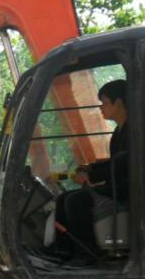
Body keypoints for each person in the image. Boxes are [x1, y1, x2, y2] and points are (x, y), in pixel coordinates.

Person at [52, 80, 130, 263]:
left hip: (129, 188)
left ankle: (87, 254)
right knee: (62, 199)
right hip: (117, 184)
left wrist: (92, 175)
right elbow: (114, 162)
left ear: (118, 102)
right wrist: (90, 168)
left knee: (76, 200)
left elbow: (125, 163)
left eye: (104, 103)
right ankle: (64, 250)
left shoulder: (135, 130)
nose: (101, 108)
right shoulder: (119, 131)